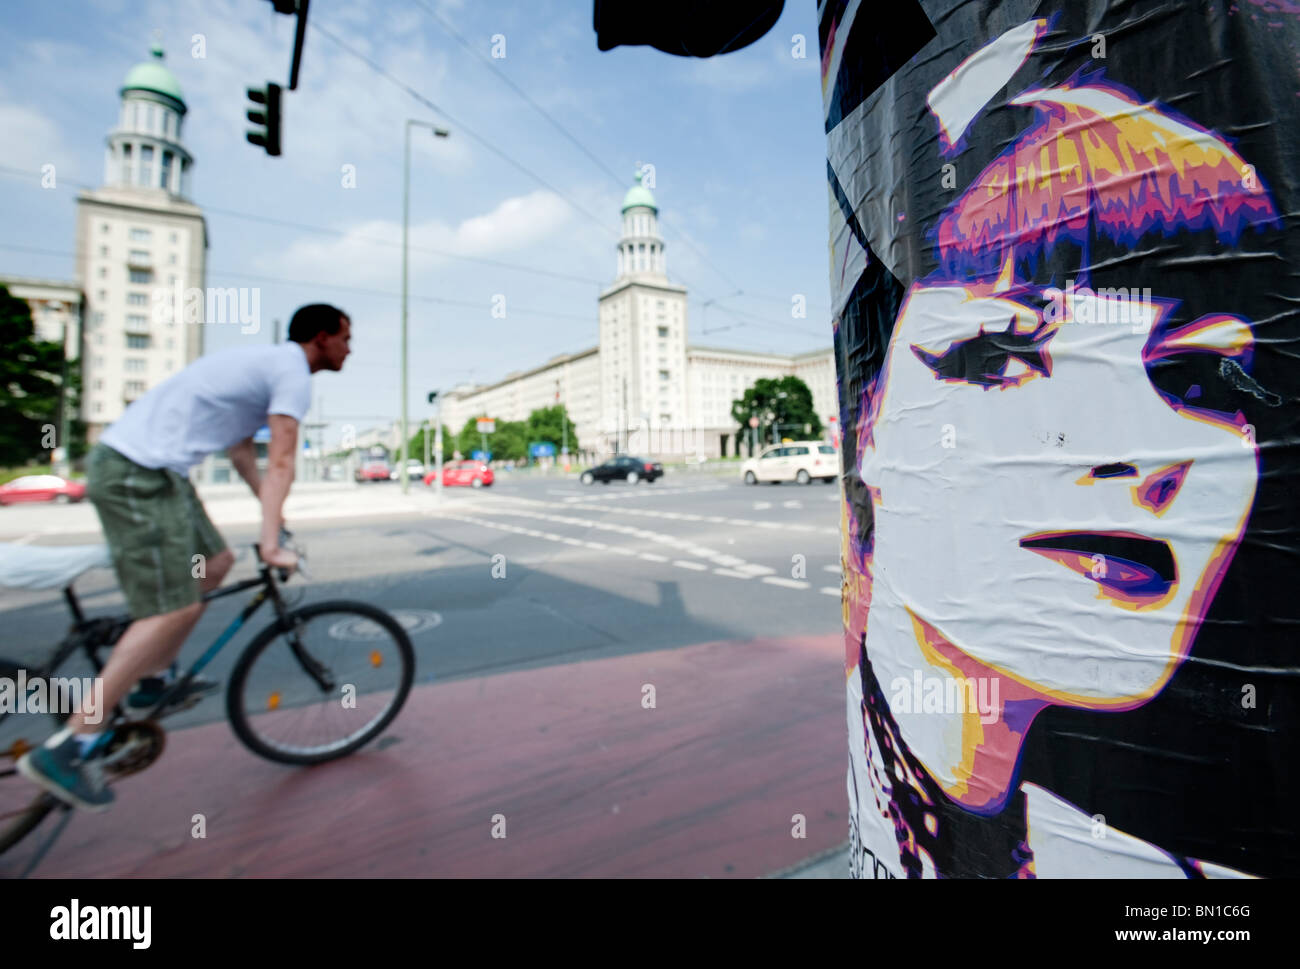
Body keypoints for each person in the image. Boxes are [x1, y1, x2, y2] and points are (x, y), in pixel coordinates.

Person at [18, 303, 351, 811]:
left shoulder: (264, 368)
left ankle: (153, 677)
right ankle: (71, 745)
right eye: (346, 338)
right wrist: (269, 545)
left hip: (160, 474)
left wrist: (273, 520)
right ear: (322, 338)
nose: (350, 349)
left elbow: (244, 456)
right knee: (174, 608)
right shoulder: (291, 372)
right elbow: (282, 459)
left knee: (214, 563)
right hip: (138, 473)